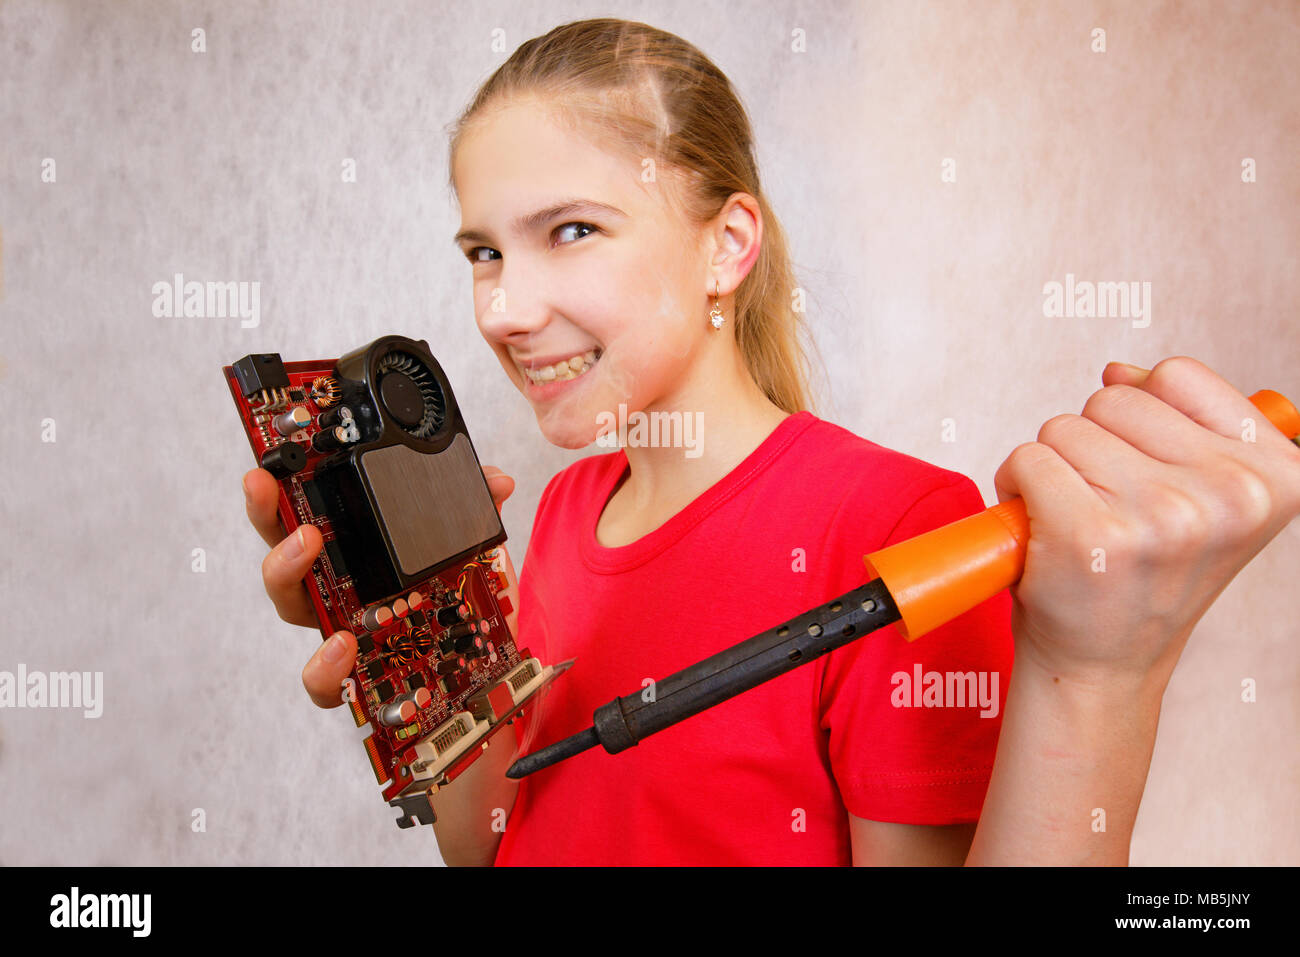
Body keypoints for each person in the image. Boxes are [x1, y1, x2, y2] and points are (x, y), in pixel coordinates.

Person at [242, 19, 1300, 865]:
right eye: (483, 250)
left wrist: (1109, 670)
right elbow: (487, 846)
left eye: (572, 230)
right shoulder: (563, 509)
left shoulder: (898, 529)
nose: (504, 311)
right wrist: (405, 667)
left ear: (726, 247)